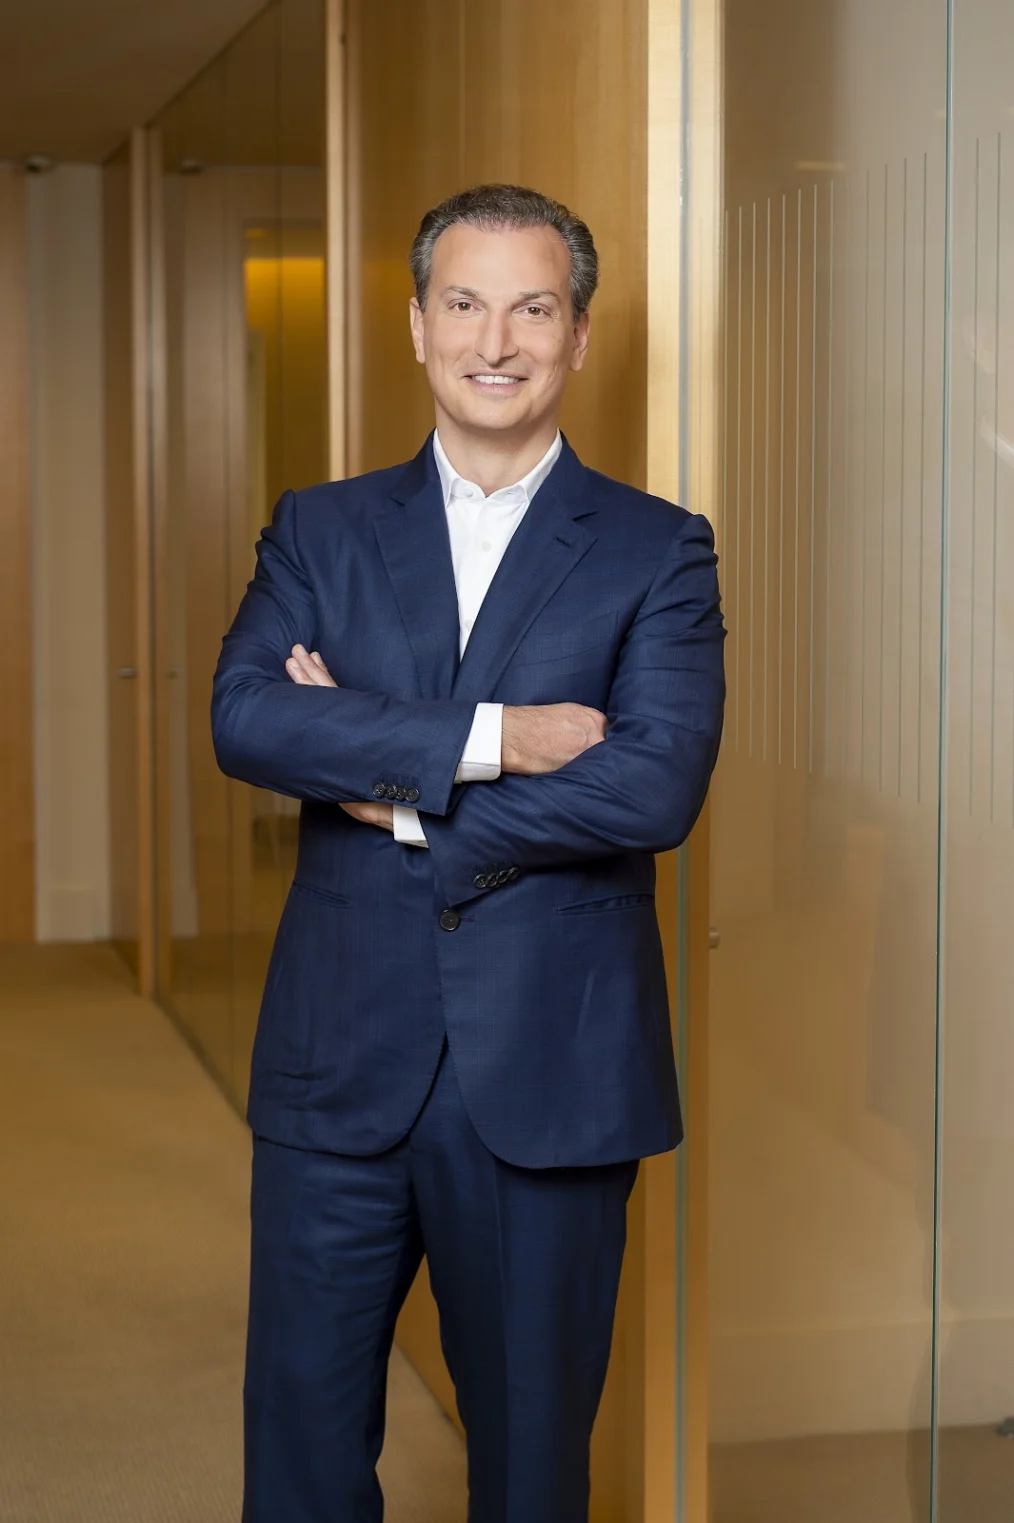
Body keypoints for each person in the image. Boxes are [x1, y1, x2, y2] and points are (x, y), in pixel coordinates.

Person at [212, 182, 725, 1523]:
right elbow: (248, 716)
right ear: (415, 324)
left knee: (531, 1468)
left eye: (532, 306)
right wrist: (499, 736)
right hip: (336, 1065)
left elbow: (654, 782)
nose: (494, 338)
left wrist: (383, 779)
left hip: (550, 1072)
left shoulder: (656, 549)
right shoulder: (320, 528)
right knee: (300, 1455)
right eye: (464, 301)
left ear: (578, 333)